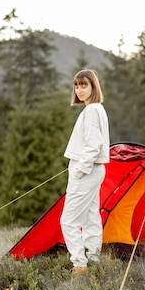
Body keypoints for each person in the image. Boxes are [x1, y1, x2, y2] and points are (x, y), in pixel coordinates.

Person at [60, 69, 110, 278]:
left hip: (87, 170)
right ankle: (94, 258)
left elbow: (94, 142)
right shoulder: (97, 109)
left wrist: (80, 169)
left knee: (68, 220)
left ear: (93, 87)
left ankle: (79, 265)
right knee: (90, 216)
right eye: (77, 86)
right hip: (94, 170)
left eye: (84, 85)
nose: (79, 90)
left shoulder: (91, 111)